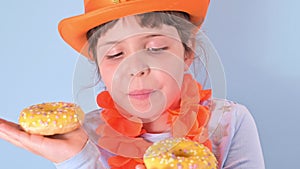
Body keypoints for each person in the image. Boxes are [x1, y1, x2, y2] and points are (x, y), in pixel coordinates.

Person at [0, 0, 265, 168]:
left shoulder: (231, 122)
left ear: (187, 52)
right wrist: (78, 159)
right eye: (115, 54)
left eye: (156, 47)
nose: (135, 68)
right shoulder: (84, 136)